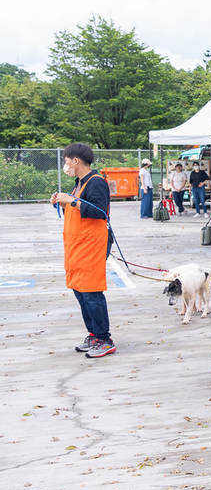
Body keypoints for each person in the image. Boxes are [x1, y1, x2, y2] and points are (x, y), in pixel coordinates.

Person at [51, 143, 116, 358]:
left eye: (66, 161)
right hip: (78, 246)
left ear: (76, 161)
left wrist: (72, 201)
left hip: (92, 245)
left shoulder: (96, 182)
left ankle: (104, 338)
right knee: (79, 289)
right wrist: (64, 202)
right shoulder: (80, 183)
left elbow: (98, 211)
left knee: (91, 290)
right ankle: (94, 333)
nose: (65, 165)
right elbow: (79, 208)